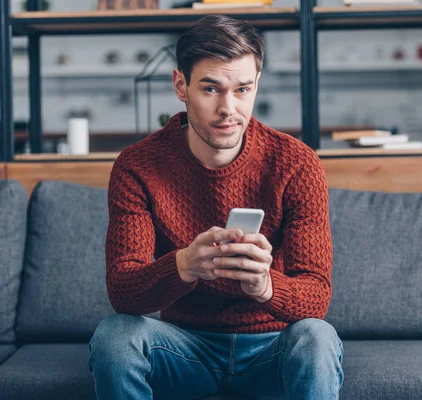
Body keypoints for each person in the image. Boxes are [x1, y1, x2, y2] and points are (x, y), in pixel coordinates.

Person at [88, 14, 344, 400]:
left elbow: (316, 296)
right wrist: (183, 265)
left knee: (317, 337)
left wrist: (265, 285)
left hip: (271, 349)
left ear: (256, 84)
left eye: (242, 89)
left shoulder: (296, 164)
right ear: (181, 86)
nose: (229, 107)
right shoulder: (137, 166)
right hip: (183, 349)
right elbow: (124, 293)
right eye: (211, 89)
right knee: (115, 336)